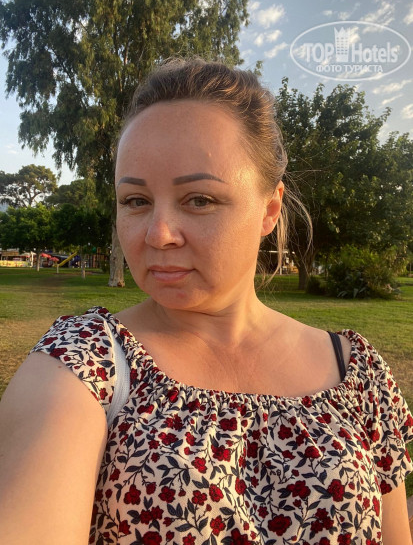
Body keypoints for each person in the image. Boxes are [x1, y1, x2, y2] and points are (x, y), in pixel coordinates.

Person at [0, 58, 412, 545]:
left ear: (269, 209)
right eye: (135, 201)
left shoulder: (357, 372)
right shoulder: (82, 362)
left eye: (199, 199)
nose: (158, 234)